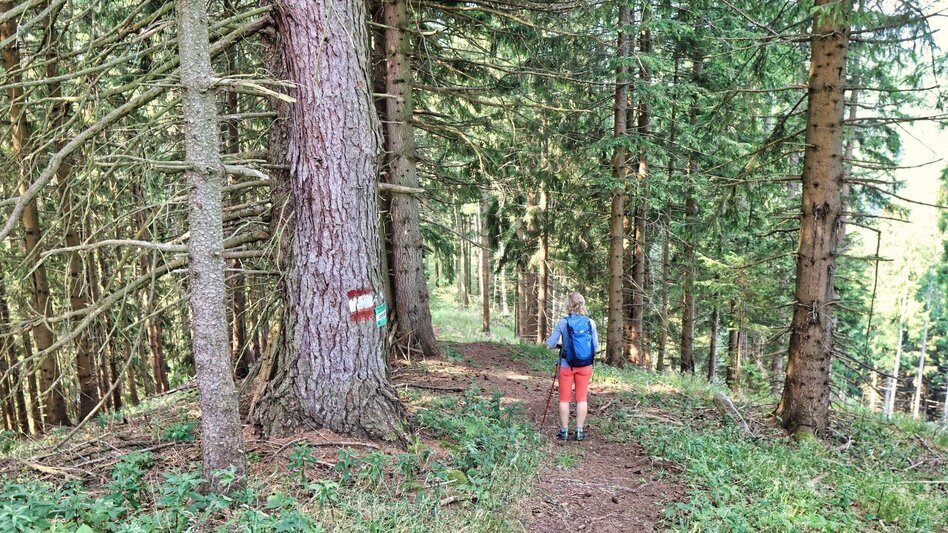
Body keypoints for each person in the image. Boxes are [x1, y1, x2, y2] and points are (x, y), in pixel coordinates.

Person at [544, 292, 599, 441]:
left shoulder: (563, 322)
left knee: (564, 399)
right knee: (581, 398)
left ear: (569, 305)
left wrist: (558, 345)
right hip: (585, 366)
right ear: (583, 305)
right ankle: (580, 431)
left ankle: (564, 431)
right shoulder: (590, 323)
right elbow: (596, 347)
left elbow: (550, 344)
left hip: (566, 365)